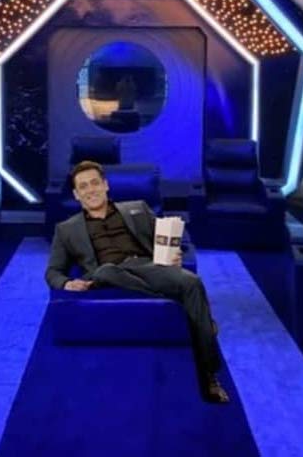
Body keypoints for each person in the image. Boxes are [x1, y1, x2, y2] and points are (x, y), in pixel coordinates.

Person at [45, 160, 229, 404]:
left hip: (147, 267)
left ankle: (209, 377)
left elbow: (177, 240)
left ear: (106, 185)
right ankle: (191, 312)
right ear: (76, 194)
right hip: (106, 274)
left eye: (95, 183)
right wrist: (67, 283)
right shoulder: (66, 229)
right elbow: (53, 271)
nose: (91, 190)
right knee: (107, 271)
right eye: (83, 186)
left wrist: (176, 252)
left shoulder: (138, 208)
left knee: (192, 282)